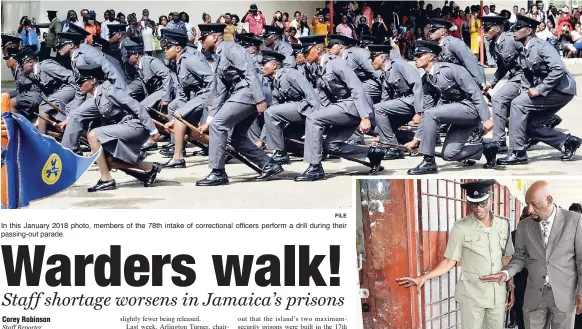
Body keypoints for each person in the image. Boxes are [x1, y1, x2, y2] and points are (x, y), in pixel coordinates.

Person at [397, 179, 514, 329]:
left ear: (490, 199)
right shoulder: (461, 228)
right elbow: (449, 261)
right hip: (472, 296)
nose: (478, 209)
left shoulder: (503, 224)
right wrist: (424, 277)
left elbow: (507, 258)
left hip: (497, 295)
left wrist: (511, 286)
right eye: (473, 204)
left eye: (482, 203)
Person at [480, 181, 582, 329]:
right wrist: (506, 273)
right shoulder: (524, 226)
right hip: (534, 296)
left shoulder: (575, 221)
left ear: (549, 200)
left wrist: (581, 292)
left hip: (565, 295)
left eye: (534, 204)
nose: (530, 209)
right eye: (528, 204)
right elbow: (519, 258)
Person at [195, 23, 281, 186]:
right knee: (236, 138)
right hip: (245, 92)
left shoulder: (230, 49)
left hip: (250, 90)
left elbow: (249, 71)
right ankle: (269, 165)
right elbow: (220, 92)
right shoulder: (219, 56)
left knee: (219, 126)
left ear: (214, 37)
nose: (202, 43)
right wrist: (208, 121)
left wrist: (259, 99)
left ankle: (218, 172)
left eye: (203, 39)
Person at [295, 35, 387, 181]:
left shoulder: (336, 63)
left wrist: (364, 117)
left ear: (318, 49)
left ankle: (315, 167)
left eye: (306, 52)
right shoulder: (318, 68)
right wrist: (323, 117)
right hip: (343, 106)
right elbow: (324, 97)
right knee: (330, 146)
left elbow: (356, 87)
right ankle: (373, 152)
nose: (304, 56)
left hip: (354, 105)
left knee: (313, 119)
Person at [496, 15, 580, 165]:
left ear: (528, 30)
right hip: (554, 89)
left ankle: (518, 152)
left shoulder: (541, 46)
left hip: (562, 89)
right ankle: (567, 142)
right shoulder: (525, 48)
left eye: (517, 28)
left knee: (517, 104)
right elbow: (528, 75)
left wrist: (540, 89)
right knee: (529, 125)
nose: (513, 31)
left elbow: (558, 68)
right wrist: (526, 92)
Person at [404, 41, 496, 175]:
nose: (415, 59)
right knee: (449, 154)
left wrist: (486, 118)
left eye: (419, 55)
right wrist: (416, 139)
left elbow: (474, 92)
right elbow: (426, 112)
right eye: (415, 56)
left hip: (471, 109)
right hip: (458, 114)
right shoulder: (426, 80)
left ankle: (428, 161)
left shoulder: (451, 69)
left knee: (432, 113)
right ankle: (487, 149)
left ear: (430, 57)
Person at [74, 63, 162, 192]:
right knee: (106, 159)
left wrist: (153, 130)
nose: (79, 86)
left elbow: (136, 106)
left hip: (134, 126)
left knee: (93, 135)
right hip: (123, 127)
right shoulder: (97, 96)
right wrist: (95, 149)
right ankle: (150, 167)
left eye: (81, 82)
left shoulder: (109, 91)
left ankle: (106, 180)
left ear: (93, 81)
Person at [257, 49, 319, 172]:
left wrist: (318, 118)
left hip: (307, 110)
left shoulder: (291, 74)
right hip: (297, 113)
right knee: (283, 139)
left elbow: (311, 94)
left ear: (274, 65)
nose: (261, 67)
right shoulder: (274, 83)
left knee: (271, 112)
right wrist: (261, 140)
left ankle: (280, 153)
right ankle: (319, 149)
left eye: (264, 64)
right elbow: (270, 116)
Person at [160, 29, 214, 168]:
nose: (165, 50)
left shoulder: (190, 60)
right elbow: (183, 93)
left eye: (167, 47)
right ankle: (178, 156)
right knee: (177, 114)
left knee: (179, 116)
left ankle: (179, 155)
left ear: (178, 48)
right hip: (197, 97)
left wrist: (209, 103)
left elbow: (212, 80)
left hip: (206, 96)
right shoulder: (178, 63)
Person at [481, 16, 525, 157]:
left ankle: (499, 141)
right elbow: (502, 68)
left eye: (487, 29)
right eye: (484, 29)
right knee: (506, 106)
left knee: (498, 99)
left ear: (498, 29)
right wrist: (490, 83)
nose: (484, 32)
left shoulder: (512, 39)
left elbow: (531, 53)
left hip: (524, 78)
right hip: (515, 78)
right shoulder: (495, 45)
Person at [370, 44, 423, 160]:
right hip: (403, 103)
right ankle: (415, 137)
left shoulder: (400, 65)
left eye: (373, 58)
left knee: (377, 109)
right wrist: (380, 135)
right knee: (377, 128)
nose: (371, 62)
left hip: (413, 102)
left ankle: (393, 148)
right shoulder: (384, 74)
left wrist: (419, 112)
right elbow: (385, 99)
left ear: (382, 58)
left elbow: (417, 85)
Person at [14, 46, 77, 135]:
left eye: (22, 64)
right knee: (40, 112)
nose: (20, 69)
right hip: (59, 94)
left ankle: (42, 140)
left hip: (70, 88)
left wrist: (79, 92)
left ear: (31, 62)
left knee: (43, 108)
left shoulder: (45, 66)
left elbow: (70, 76)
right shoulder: (35, 75)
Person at [124, 40, 173, 150]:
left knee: (141, 108)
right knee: (143, 107)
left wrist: (166, 98)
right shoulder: (138, 65)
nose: (128, 59)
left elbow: (167, 76)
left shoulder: (151, 62)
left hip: (165, 90)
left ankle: (153, 137)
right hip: (157, 92)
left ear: (136, 54)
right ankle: (152, 137)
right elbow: (145, 85)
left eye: (129, 56)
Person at [2, 38, 42, 119]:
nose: (6, 61)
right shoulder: (15, 69)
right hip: (27, 95)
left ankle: (12, 127)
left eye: (7, 58)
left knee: (10, 102)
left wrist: (6, 95)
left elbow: (26, 88)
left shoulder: (22, 68)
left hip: (34, 96)